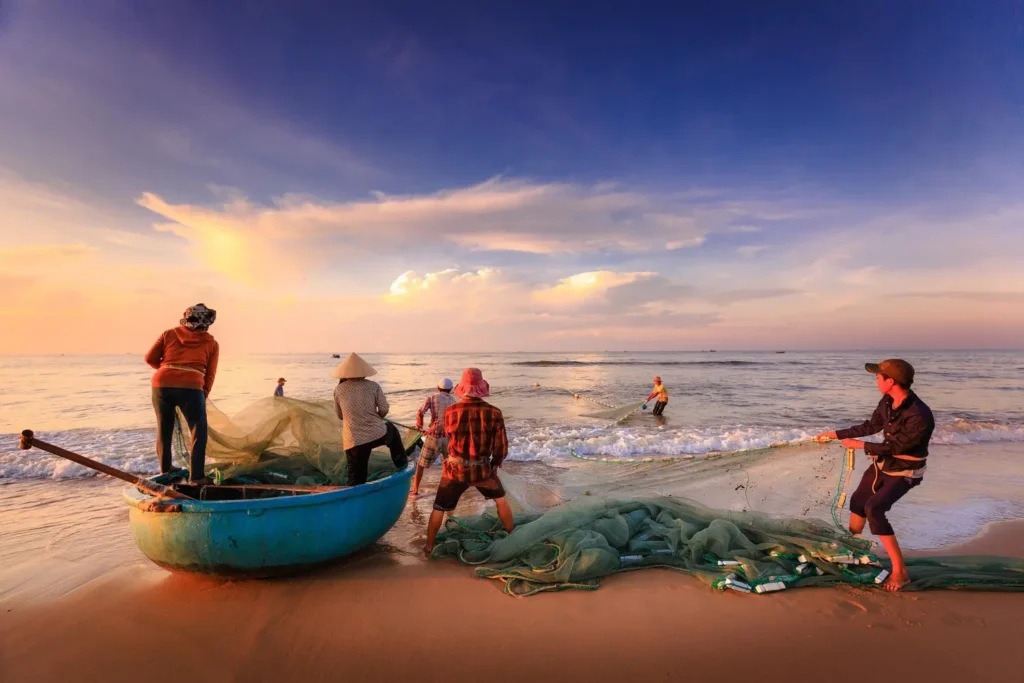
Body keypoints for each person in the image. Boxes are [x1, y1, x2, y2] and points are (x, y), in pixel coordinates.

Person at [815, 359, 934, 592]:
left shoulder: (919, 414)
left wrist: (859, 446)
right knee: (858, 502)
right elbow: (871, 426)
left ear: (890, 381)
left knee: (874, 509)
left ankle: (901, 572)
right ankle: (852, 552)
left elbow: (898, 448)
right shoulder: (888, 400)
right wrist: (836, 434)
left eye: (878, 376)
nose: (875, 380)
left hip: (906, 470)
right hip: (883, 464)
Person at [424, 368, 514, 556]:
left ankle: (429, 546)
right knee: (501, 501)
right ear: (481, 388)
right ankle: (512, 536)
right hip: (482, 470)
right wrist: (494, 465)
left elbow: (448, 438)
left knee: (439, 508)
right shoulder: (494, 413)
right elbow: (501, 448)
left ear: (462, 388)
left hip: (454, 471)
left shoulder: (450, 412)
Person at [145, 303, 219, 484]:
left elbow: (149, 359)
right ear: (206, 322)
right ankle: (197, 477)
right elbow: (210, 374)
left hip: (161, 384)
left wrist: (167, 370)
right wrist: (204, 393)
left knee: (164, 429)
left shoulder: (168, 334)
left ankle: (166, 470)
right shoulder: (211, 343)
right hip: (192, 386)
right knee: (198, 430)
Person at [331, 353, 408, 486]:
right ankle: (401, 463)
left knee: (356, 477)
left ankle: (354, 500)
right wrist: (377, 417)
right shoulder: (373, 386)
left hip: (353, 440)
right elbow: (384, 409)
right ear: (364, 372)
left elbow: (339, 415)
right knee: (392, 430)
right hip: (377, 433)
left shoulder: (339, 390)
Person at [411, 377, 458, 496]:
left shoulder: (432, 398)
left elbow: (420, 412)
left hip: (433, 437)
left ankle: (415, 490)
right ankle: (446, 489)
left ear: (438, 388)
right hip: (448, 438)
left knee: (421, 465)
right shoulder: (454, 401)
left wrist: (419, 426)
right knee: (446, 466)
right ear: (451, 389)